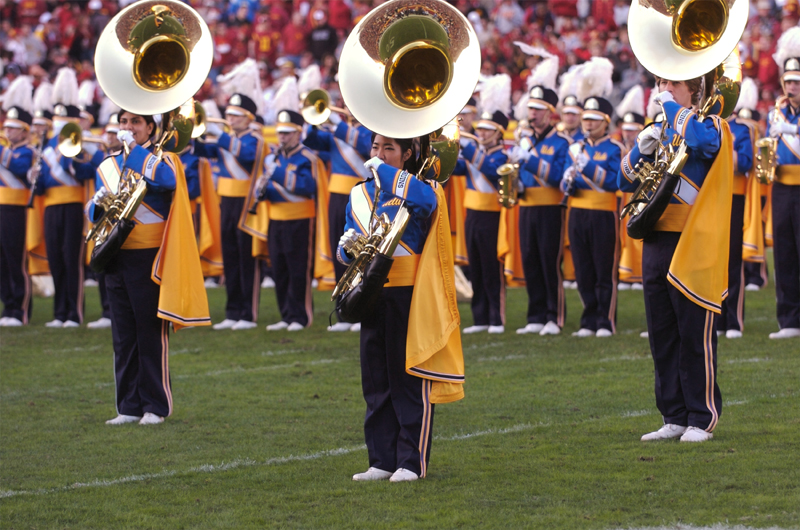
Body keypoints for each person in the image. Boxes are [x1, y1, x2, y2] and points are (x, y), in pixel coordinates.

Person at [338, 133, 464, 482]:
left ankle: (411, 461)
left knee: (407, 378)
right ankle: (381, 459)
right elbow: (349, 231)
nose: (378, 154)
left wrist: (389, 174)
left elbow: (426, 204)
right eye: (375, 148)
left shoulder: (418, 186)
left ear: (407, 154)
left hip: (409, 294)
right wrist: (346, 250)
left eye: (389, 148)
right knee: (376, 379)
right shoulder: (359, 192)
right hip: (370, 291)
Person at [618, 75, 732, 442]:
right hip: (656, 238)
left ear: (694, 90)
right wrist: (640, 147)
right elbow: (624, 180)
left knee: (693, 330)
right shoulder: (658, 128)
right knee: (662, 333)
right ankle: (674, 415)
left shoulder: (710, 124)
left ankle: (702, 416)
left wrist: (670, 108)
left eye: (674, 83)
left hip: (693, 238)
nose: (664, 87)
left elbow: (702, 144)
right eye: (661, 82)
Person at [87, 109, 210, 425]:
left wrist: (138, 154)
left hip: (150, 256)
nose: (128, 128)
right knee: (123, 334)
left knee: (149, 331)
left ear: (151, 128)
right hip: (116, 253)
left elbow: (168, 183)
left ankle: (155, 405)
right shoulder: (106, 165)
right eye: (123, 122)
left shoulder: (163, 160)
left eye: (135, 122)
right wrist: (97, 204)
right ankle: (128, 406)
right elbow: (93, 213)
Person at [196, 91, 265, 331]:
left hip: (246, 203)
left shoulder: (254, 138)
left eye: (236, 115)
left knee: (246, 258)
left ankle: (248, 313)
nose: (231, 119)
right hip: (225, 202)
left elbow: (247, 155)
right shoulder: (227, 138)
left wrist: (220, 136)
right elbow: (203, 152)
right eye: (229, 115)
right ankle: (232, 310)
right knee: (230, 257)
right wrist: (192, 135)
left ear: (248, 118)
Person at [509, 85, 572, 336]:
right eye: (530, 108)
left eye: (537, 109)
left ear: (549, 113)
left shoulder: (561, 142)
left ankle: (553, 316)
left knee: (549, 261)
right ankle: (535, 315)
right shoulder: (524, 139)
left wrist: (530, 160)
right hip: (527, 206)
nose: (532, 113)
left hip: (550, 208)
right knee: (530, 260)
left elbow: (557, 176)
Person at [302, 109, 372, 332]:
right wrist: (312, 119)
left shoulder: (372, 130)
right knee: (341, 253)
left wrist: (336, 123)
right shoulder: (337, 132)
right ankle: (344, 313)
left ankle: (362, 312)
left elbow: (365, 146)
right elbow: (311, 140)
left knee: (362, 254)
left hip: (362, 195)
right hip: (336, 197)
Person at [255, 110, 321, 331]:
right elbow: (272, 188)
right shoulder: (274, 158)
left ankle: (300, 316)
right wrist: (261, 192)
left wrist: (279, 174)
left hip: (300, 219)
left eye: (287, 133)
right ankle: (285, 315)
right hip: (276, 219)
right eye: (280, 133)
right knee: (279, 268)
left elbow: (308, 187)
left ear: (298, 133)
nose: (282, 137)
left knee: (298, 268)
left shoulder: (308, 157)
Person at [563, 95, 623, 337]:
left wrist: (588, 167)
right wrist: (567, 181)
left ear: (606, 121)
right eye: (586, 118)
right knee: (582, 268)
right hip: (577, 212)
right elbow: (569, 184)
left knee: (603, 268)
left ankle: (605, 320)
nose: (588, 124)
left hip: (603, 213)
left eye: (594, 119)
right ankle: (588, 319)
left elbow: (615, 182)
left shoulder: (615, 148)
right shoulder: (576, 147)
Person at [452, 109, 509, 334]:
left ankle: (496, 318)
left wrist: (467, 149)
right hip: (472, 214)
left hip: (492, 216)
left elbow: (492, 171)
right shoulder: (475, 153)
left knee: (491, 267)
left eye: (488, 129)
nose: (482, 133)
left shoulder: (501, 155)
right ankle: (480, 318)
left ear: (499, 133)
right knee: (475, 266)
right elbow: (456, 169)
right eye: (481, 128)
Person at [766, 34, 800, 340]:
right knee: (785, 252)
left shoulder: (788, 120)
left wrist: (794, 130)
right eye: (788, 81)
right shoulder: (775, 113)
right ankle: (789, 319)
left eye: (797, 82)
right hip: (782, 188)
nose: (791, 87)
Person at [0, 82, 35, 327]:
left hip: (17, 210)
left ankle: (21, 309)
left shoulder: (29, 152)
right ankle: (8, 306)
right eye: (7, 128)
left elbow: (19, 167)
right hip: (2, 208)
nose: (8, 132)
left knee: (15, 259)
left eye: (14, 129)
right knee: (2, 260)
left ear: (24, 131)